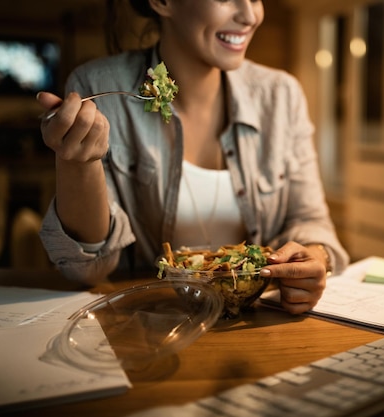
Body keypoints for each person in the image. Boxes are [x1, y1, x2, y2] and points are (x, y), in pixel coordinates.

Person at [35, 0, 349, 315]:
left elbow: (311, 222)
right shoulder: (98, 86)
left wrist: (313, 258)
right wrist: (78, 163)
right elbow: (86, 270)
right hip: (146, 326)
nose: (249, 15)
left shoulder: (281, 95)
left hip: (256, 323)